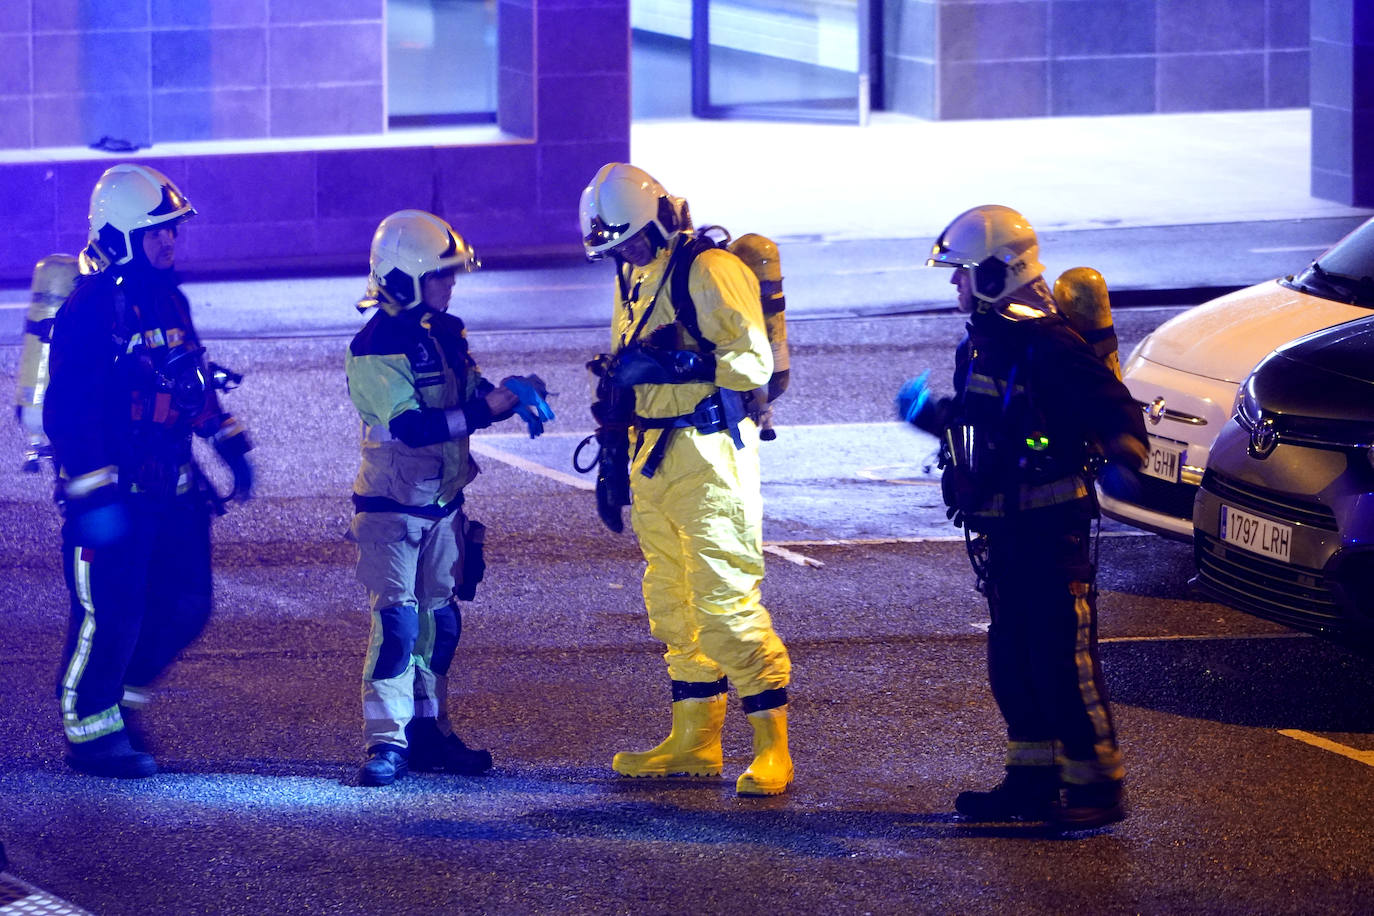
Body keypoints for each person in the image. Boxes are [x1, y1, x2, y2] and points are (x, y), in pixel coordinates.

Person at [898, 205, 1147, 829]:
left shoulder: (1048, 342)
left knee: (1063, 663)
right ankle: (1029, 785)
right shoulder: (987, 340)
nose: (954, 285)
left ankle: (1095, 789)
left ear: (993, 271)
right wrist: (930, 416)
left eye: (960, 274)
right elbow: (987, 426)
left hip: (1051, 529)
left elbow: (1117, 411)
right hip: (1005, 532)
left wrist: (1123, 452)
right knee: (1014, 663)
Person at [578, 163, 793, 796]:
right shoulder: (635, 274)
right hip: (653, 452)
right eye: (616, 248)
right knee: (673, 602)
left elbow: (750, 361)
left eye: (632, 241)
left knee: (725, 598)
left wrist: (675, 360)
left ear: (661, 220)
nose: (627, 254)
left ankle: (771, 749)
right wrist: (612, 459)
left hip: (708, 451)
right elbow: (623, 368)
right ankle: (694, 743)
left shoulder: (709, 268)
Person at [44, 164, 254, 778]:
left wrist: (227, 438)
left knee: (186, 605)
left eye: (172, 231)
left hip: (175, 486)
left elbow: (187, 382)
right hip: (115, 492)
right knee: (110, 612)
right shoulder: (89, 310)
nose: (170, 241)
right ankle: (89, 733)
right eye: (157, 231)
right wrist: (92, 495)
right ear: (122, 236)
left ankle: (121, 704)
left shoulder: (170, 299)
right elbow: (70, 410)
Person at [346, 209, 553, 787]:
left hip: (441, 503)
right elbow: (413, 426)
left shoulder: (445, 331)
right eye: (441, 274)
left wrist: (508, 392)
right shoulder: (374, 346)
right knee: (398, 626)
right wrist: (486, 410)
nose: (451, 283)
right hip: (392, 508)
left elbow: (469, 388)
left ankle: (428, 731)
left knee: (440, 623)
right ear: (405, 278)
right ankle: (386, 742)